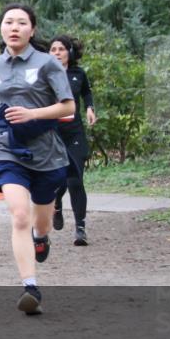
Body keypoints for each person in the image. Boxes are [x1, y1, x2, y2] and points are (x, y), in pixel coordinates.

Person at [0, 4, 75, 315]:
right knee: (19, 216)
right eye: (8, 22)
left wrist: (33, 113)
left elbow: (68, 107)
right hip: (9, 150)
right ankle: (30, 287)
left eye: (21, 23)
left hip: (47, 152)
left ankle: (41, 238)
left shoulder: (48, 64)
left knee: (41, 221)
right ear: (0, 29)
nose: (14, 27)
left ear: (32, 30)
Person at [49, 35, 97, 246]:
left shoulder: (79, 74)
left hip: (74, 133)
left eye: (61, 49)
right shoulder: (45, 74)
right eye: (53, 49)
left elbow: (87, 92)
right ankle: (57, 203)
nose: (57, 52)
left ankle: (80, 229)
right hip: (52, 133)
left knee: (75, 180)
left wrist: (89, 108)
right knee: (59, 181)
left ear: (70, 53)